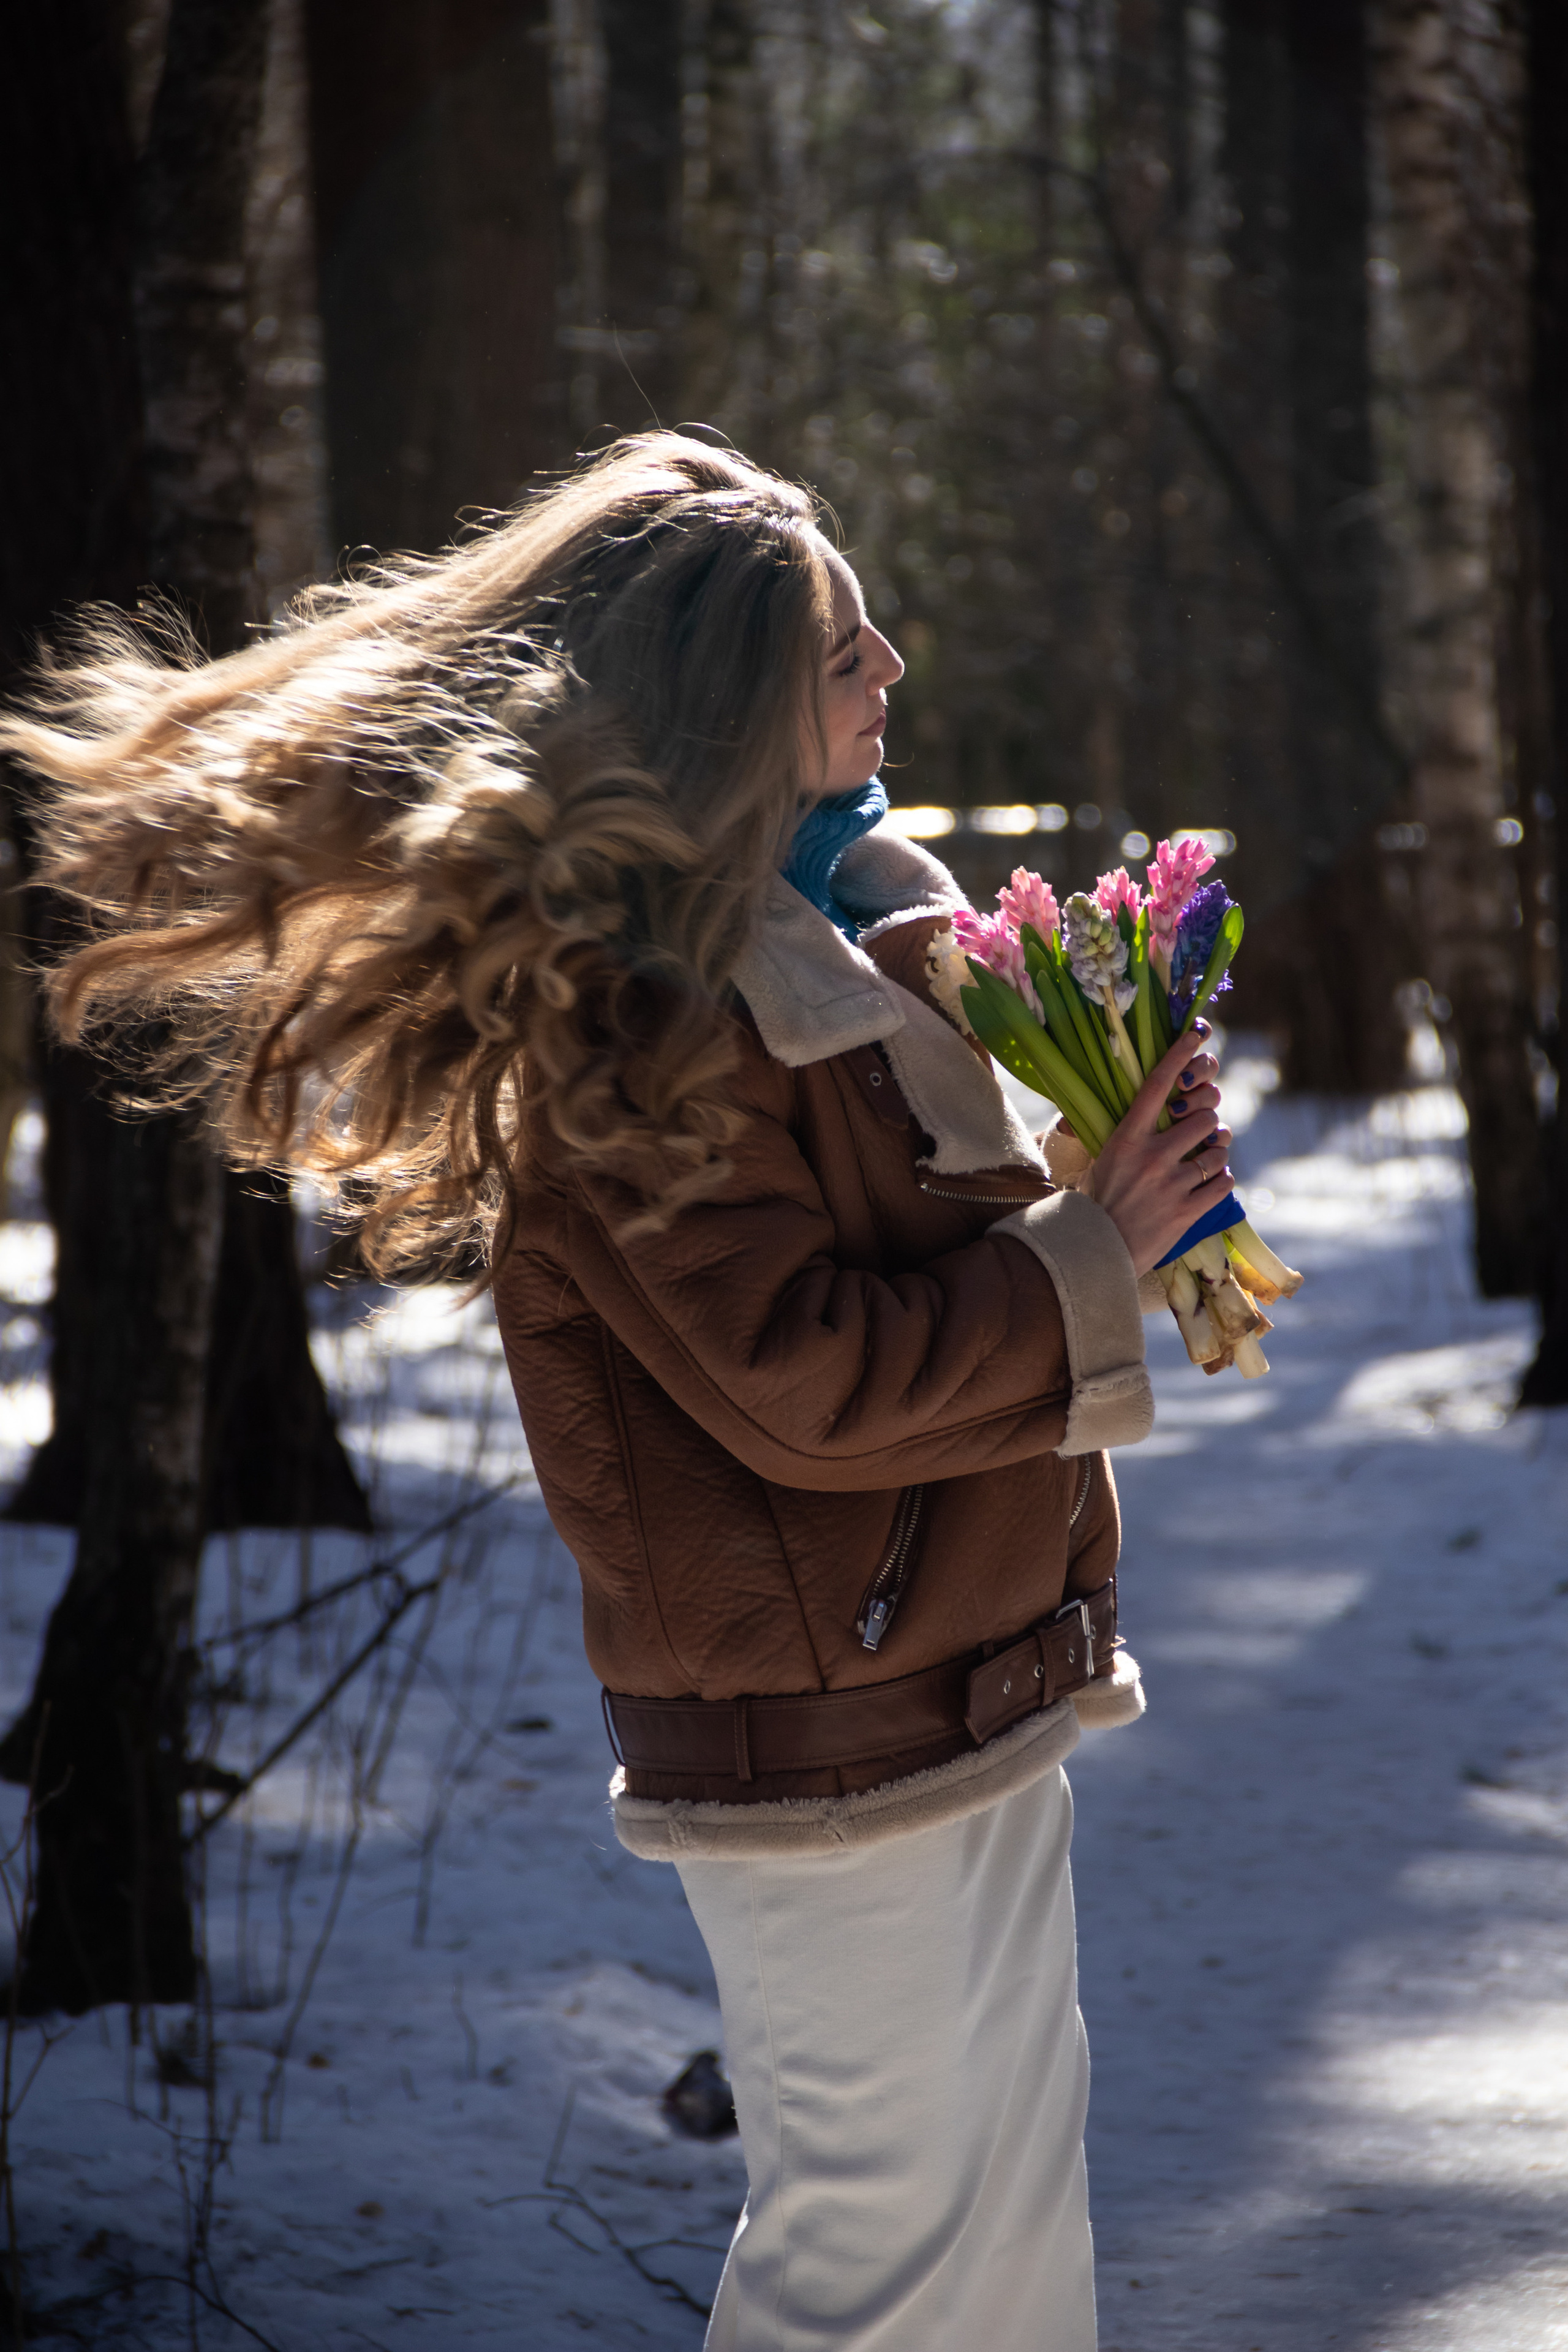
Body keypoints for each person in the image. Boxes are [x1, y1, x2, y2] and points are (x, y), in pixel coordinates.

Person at [4, 432, 1232, 2350]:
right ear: (732, 698)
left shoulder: (827, 945)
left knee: (1005, 2255)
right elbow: (803, 1382)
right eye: (844, 649)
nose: (895, 666)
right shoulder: (640, 1009)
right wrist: (1088, 1259)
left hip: (971, 1682)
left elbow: (910, 1275)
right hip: (834, 1746)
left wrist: (1109, 1172)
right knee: (879, 2274)